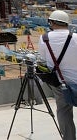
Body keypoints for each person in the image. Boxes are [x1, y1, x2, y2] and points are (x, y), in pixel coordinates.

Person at [38, 10, 77, 140]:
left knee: (64, 111)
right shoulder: (76, 37)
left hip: (60, 83)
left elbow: (42, 60)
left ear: (52, 22)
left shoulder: (44, 38)